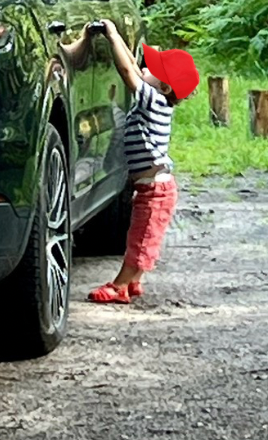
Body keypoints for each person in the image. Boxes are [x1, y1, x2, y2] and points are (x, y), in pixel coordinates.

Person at [86, 19, 200, 304]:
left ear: (163, 87)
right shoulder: (158, 98)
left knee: (141, 238)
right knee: (144, 234)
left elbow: (127, 71)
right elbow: (136, 69)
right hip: (154, 187)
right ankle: (135, 280)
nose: (144, 69)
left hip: (155, 190)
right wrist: (118, 37)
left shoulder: (153, 101)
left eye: (153, 70)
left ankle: (120, 286)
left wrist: (112, 35)